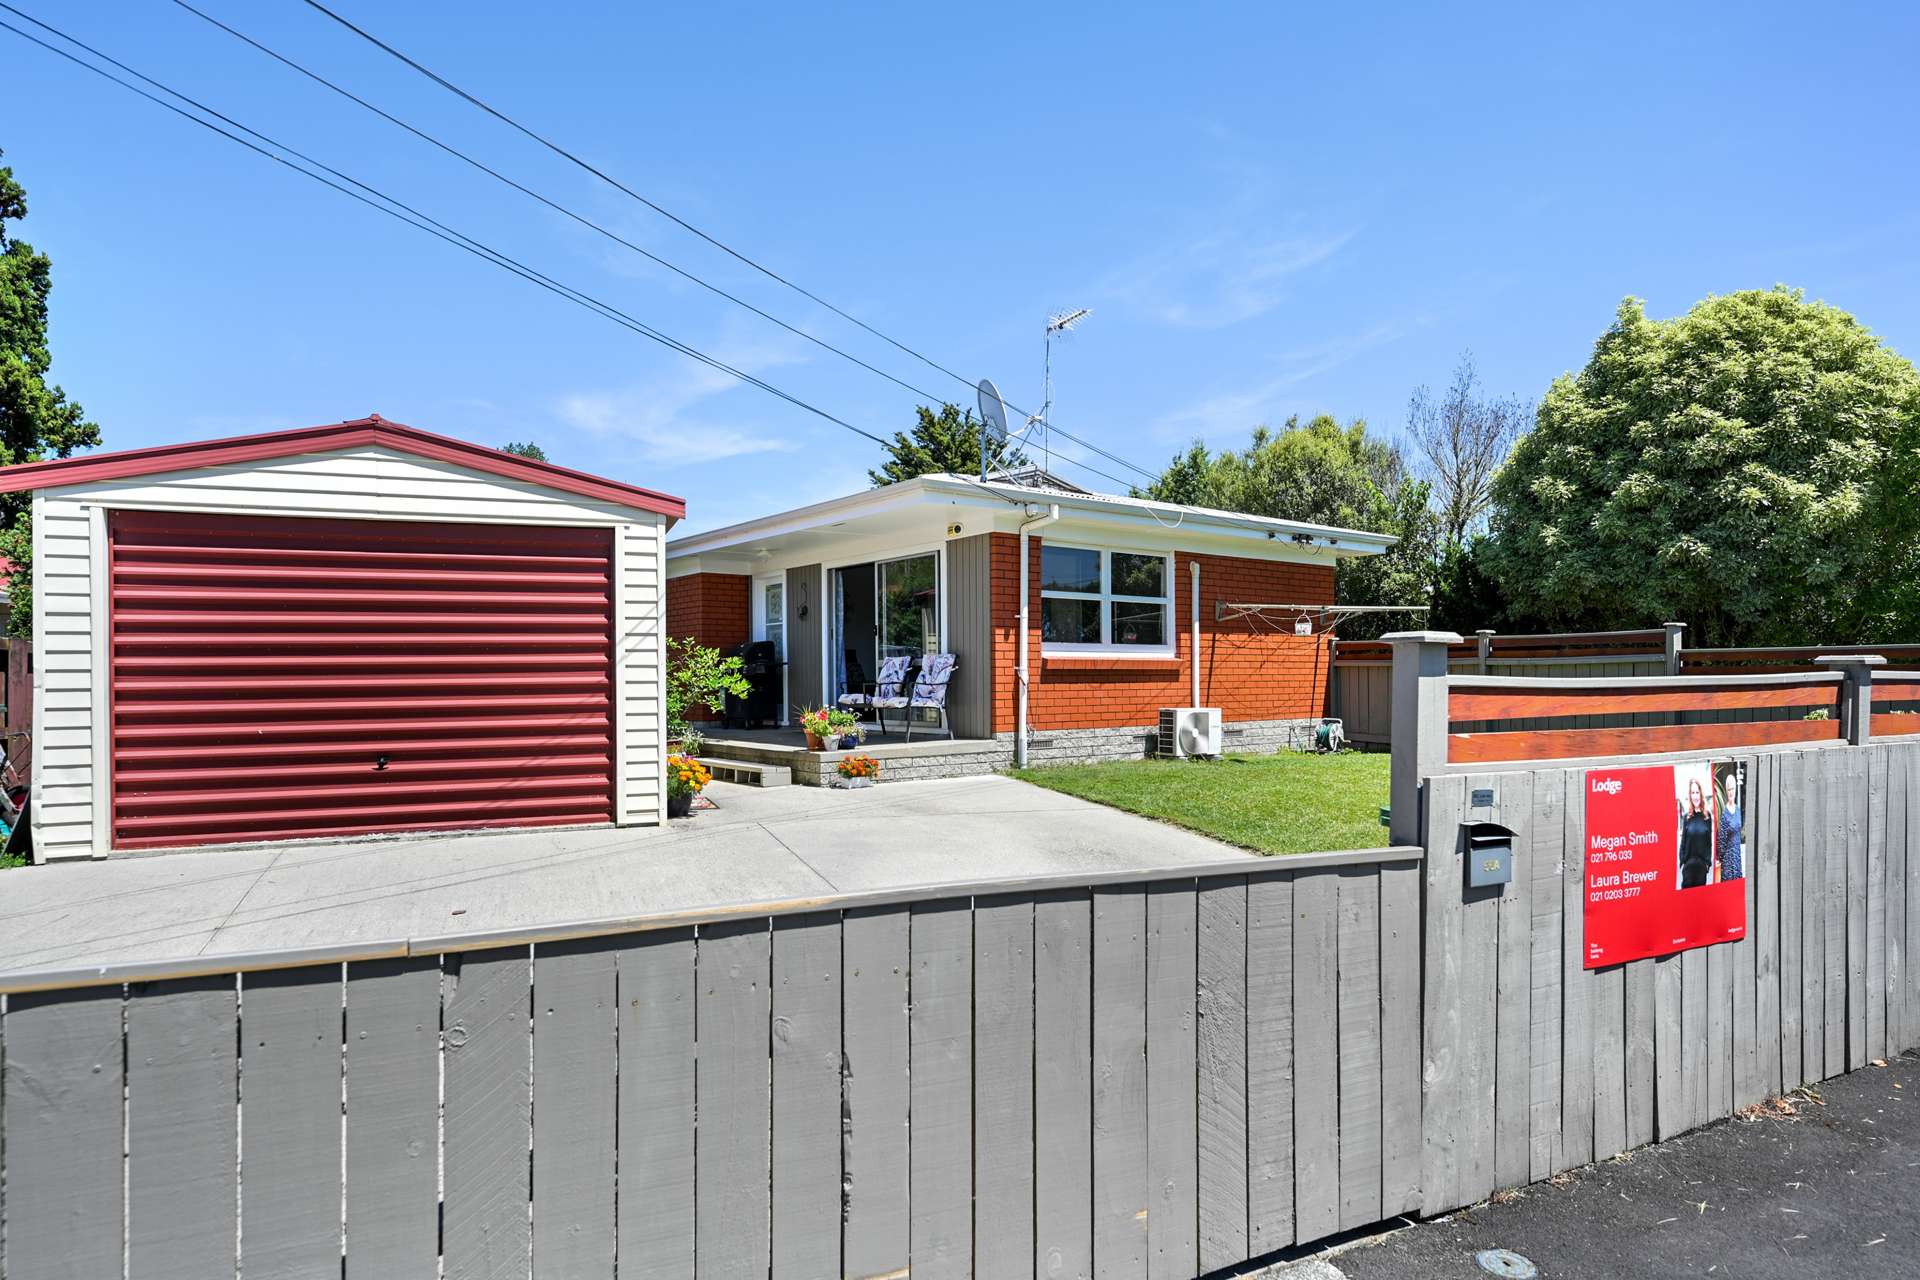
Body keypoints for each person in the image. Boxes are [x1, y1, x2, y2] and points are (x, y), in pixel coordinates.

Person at [1678, 776, 1714, 888]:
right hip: (1688, 869)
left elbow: (1709, 843)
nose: (1695, 796)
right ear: (1690, 795)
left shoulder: (1707, 817)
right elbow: (1683, 842)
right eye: (1692, 792)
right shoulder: (1686, 817)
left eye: (1697, 792)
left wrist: (1707, 864)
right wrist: (1683, 861)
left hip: (1701, 870)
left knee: (1700, 903)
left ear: (1701, 794)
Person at [1715, 769, 1744, 881]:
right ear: (1726, 791)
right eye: (1729, 789)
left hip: (1737, 858)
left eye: (1732, 789)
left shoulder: (1737, 810)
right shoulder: (1724, 814)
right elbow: (1721, 843)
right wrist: (1722, 859)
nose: (1731, 792)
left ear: (1736, 789)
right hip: (1728, 861)